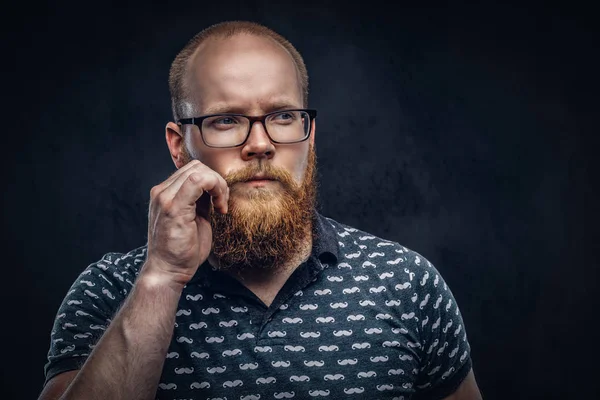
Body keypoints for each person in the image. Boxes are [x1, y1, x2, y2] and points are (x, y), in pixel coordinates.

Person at [39, 20, 483, 400]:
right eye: (226, 120)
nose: (260, 144)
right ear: (179, 146)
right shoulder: (109, 291)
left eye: (284, 116)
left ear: (309, 135)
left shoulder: (407, 283)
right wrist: (161, 278)